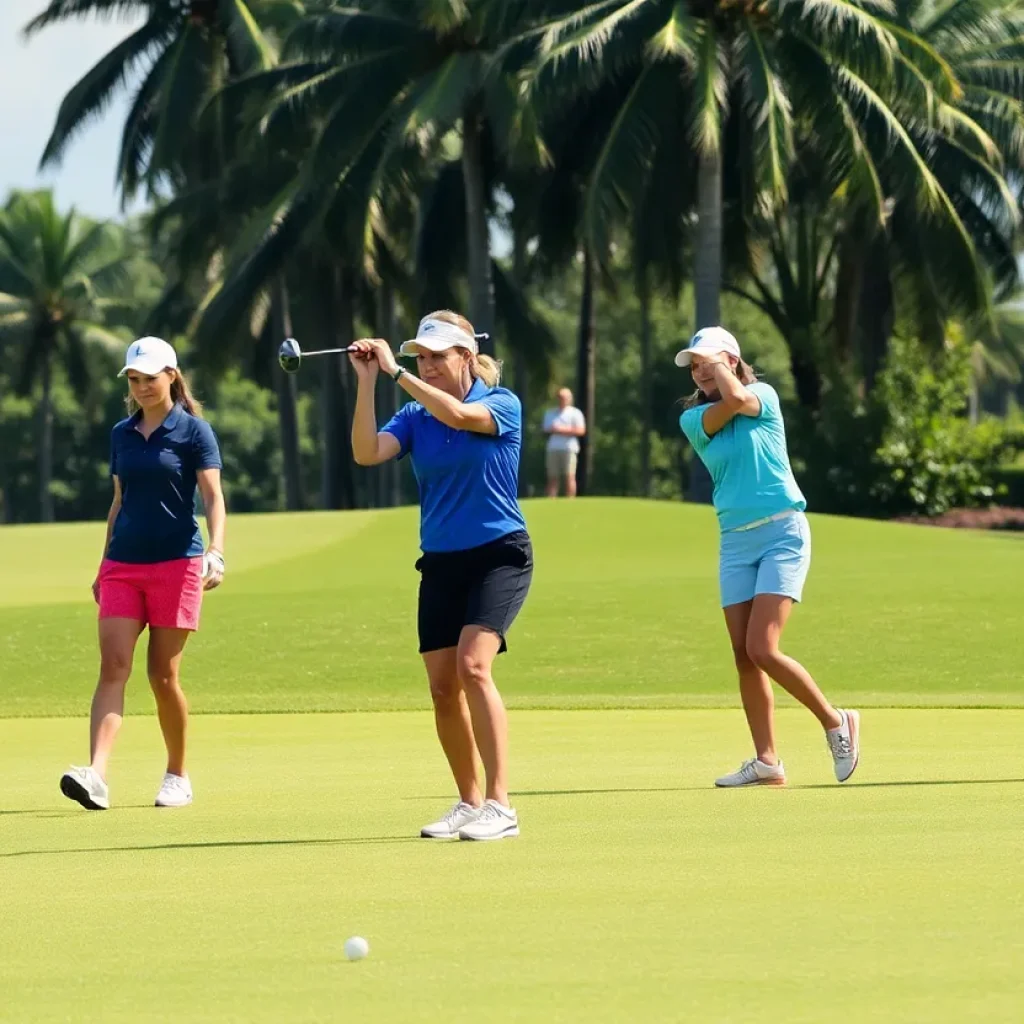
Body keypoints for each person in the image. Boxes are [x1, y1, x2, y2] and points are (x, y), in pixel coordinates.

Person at [350, 310, 532, 841]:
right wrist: (367, 386)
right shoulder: (413, 414)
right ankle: (469, 802)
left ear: (466, 357)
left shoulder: (502, 404)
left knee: (475, 667)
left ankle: (501, 805)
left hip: (500, 553)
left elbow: (458, 416)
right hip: (441, 562)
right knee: (441, 688)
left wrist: (394, 371)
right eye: (420, 358)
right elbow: (367, 453)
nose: (426, 365)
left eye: (436, 357)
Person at [676, 326, 860, 787]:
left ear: (733, 361)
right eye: (694, 366)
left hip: (782, 531)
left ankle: (836, 721)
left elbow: (739, 399)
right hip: (735, 541)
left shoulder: (764, 396)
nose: (699, 371)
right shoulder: (693, 421)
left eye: (708, 362)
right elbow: (726, 408)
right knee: (743, 656)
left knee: (763, 648)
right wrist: (719, 371)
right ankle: (767, 762)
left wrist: (724, 370)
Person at [60, 337, 226, 811]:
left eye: (149, 379)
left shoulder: (195, 432)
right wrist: (103, 563)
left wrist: (216, 550)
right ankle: (96, 775)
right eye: (133, 380)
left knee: (162, 675)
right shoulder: (121, 433)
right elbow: (118, 502)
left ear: (171, 375)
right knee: (113, 667)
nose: (141, 388)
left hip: (177, 564)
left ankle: (177, 773)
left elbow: (213, 498)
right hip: (123, 566)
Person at [542, 387, 586, 497]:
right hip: (553, 448)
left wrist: (562, 429)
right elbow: (545, 429)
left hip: (569, 448)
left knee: (569, 476)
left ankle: (570, 501)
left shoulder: (576, 413)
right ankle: (551, 500)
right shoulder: (550, 413)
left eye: (565, 397)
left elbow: (581, 430)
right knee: (552, 477)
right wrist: (554, 430)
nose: (563, 399)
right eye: (560, 397)